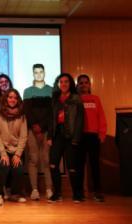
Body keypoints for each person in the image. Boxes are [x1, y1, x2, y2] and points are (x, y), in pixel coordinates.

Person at [48, 73, 84, 203]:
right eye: (61, 82)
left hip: (71, 136)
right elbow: (51, 119)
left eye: (66, 82)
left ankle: (77, 194)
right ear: (58, 84)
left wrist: (76, 138)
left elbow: (80, 120)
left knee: (72, 166)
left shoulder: (76, 99)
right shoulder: (55, 99)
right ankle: (57, 194)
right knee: (53, 164)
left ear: (70, 84)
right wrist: (49, 136)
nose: (64, 84)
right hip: (57, 135)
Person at [0, 89, 27, 205]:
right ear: (6, 98)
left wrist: (17, 154)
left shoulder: (22, 115)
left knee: (19, 168)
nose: (12, 100)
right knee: (4, 164)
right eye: (10, 97)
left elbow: (23, 136)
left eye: (15, 98)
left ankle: (14, 194)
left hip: (15, 149)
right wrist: (3, 153)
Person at [23, 64, 53, 200]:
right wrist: (36, 127)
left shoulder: (52, 90)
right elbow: (27, 112)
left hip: (47, 130)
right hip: (32, 130)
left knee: (46, 159)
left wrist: (42, 128)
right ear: (33, 74)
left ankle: (49, 189)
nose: (39, 74)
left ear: (45, 73)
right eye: (36, 72)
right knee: (33, 159)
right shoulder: (27, 91)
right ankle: (34, 189)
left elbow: (51, 113)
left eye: (41, 72)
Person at [76, 74, 107, 202]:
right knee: (79, 166)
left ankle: (97, 191)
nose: (84, 85)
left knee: (95, 165)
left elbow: (101, 117)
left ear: (89, 85)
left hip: (93, 136)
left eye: (86, 82)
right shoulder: (76, 99)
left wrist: (102, 134)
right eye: (81, 83)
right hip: (80, 136)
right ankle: (80, 192)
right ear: (78, 85)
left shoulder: (96, 99)